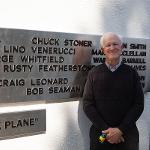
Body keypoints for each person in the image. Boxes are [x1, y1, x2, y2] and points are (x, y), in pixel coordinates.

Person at [83, 32, 144, 150]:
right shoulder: (94, 73)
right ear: (103, 50)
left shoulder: (132, 73)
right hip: (101, 135)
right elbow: (87, 104)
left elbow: (138, 104)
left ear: (122, 48)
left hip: (127, 135)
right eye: (108, 45)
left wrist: (120, 130)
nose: (112, 48)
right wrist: (106, 130)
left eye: (115, 44)